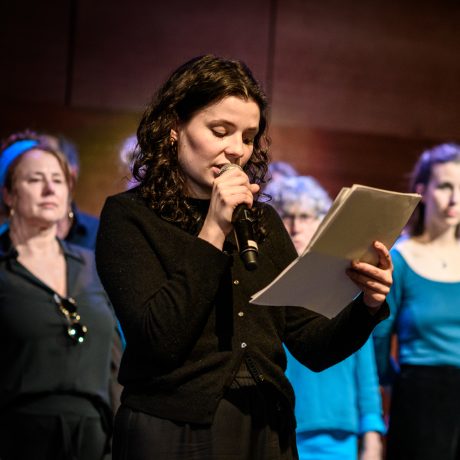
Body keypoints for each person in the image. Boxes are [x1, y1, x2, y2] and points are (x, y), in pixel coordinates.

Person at [95, 54, 393, 460]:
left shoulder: (263, 220)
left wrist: (368, 304)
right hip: (174, 429)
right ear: (172, 128)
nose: (237, 150)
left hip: (264, 423)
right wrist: (214, 230)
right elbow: (158, 341)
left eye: (248, 137)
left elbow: (312, 345)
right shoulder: (129, 216)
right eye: (220, 130)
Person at [0, 133, 116, 460]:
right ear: (9, 194)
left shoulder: (94, 265)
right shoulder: (3, 271)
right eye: (36, 180)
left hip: (93, 435)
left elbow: (115, 362)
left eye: (58, 180)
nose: (50, 189)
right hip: (19, 435)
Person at [265, 175, 385, 460]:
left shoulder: (344, 283)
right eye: (286, 214)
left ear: (322, 222)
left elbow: (365, 371)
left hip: (338, 433)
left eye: (305, 215)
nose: (295, 225)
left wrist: (372, 434)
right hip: (279, 428)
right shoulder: (264, 285)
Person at [372, 143, 460, 460]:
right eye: (446, 186)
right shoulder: (402, 258)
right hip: (421, 395)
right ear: (422, 190)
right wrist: (396, 384)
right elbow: (380, 336)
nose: (455, 199)